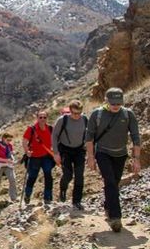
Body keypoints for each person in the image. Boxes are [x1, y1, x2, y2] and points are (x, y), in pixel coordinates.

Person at [86, 88, 141, 232]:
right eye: (113, 103)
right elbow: (89, 138)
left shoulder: (128, 114)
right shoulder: (97, 115)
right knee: (109, 181)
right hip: (103, 153)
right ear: (106, 100)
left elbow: (136, 137)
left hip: (121, 154)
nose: (116, 106)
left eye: (118, 103)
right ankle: (115, 218)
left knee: (114, 183)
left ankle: (108, 205)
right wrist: (90, 157)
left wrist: (136, 159)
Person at [52, 100, 88, 210]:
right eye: (74, 113)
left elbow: (89, 135)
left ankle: (77, 201)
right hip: (65, 150)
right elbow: (54, 136)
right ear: (70, 111)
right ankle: (63, 189)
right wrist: (56, 153)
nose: (77, 116)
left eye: (79, 113)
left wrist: (91, 151)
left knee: (79, 176)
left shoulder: (85, 119)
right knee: (68, 174)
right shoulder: (63, 120)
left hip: (79, 150)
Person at [22, 111, 55, 205]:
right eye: (40, 117)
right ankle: (27, 195)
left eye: (44, 117)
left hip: (46, 157)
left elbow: (53, 142)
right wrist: (27, 151)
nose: (42, 119)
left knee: (48, 176)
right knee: (32, 177)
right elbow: (25, 141)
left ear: (47, 118)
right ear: (37, 118)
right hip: (34, 157)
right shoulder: (31, 129)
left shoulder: (50, 129)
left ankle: (47, 198)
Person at [0, 133, 17, 202]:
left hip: (8, 165)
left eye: (10, 140)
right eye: (8, 140)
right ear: (3, 139)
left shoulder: (9, 145)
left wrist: (12, 159)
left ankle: (13, 197)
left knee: (12, 179)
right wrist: (5, 160)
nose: (9, 141)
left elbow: (10, 154)